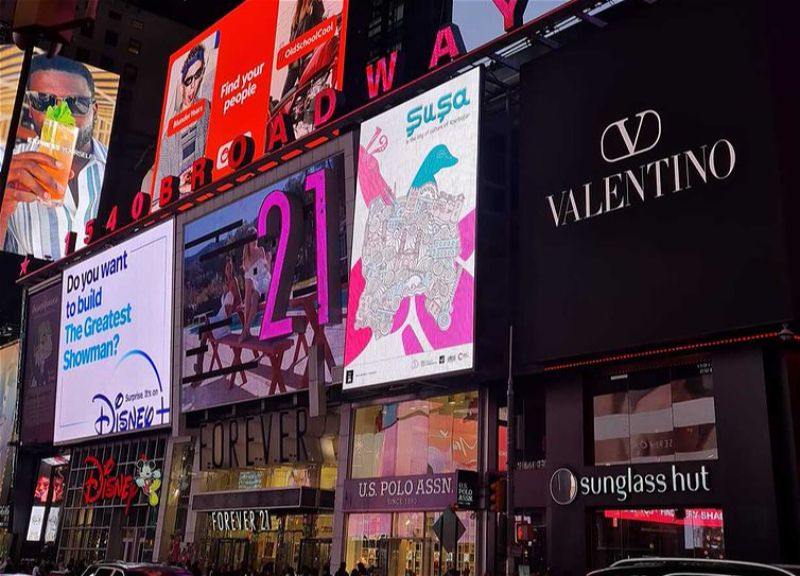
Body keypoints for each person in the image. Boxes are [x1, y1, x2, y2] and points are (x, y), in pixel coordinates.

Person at [0, 55, 107, 259]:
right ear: (31, 109)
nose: (59, 114)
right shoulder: (6, 165)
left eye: (76, 104)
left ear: (95, 111)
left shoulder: (123, 169)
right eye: (44, 101)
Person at [156, 43, 211, 200]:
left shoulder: (205, 108)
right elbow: (162, 182)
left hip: (203, 194)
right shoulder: (168, 136)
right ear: (180, 86)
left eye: (198, 74)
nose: (193, 85)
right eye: (188, 80)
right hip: (178, 204)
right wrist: (178, 185)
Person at [193, 256, 242, 379]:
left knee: (205, 330)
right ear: (224, 270)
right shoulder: (225, 285)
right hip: (219, 318)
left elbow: (240, 301)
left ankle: (199, 370)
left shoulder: (234, 282)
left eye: (230, 267)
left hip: (223, 322)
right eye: (227, 267)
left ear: (232, 269)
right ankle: (199, 370)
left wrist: (231, 310)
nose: (229, 269)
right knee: (204, 334)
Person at [281, 0, 325, 98]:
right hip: (295, 67)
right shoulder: (296, 18)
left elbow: (321, 29)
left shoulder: (314, 5)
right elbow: (292, 44)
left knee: (307, 97)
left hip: (308, 63)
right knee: (284, 100)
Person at [240, 227, 271, 341]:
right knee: (252, 297)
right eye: (252, 237)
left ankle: (245, 330)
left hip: (264, 280)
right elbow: (250, 280)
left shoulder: (261, 250)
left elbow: (266, 271)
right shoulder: (246, 260)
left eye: (256, 236)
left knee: (250, 285)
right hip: (255, 286)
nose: (255, 240)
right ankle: (246, 328)